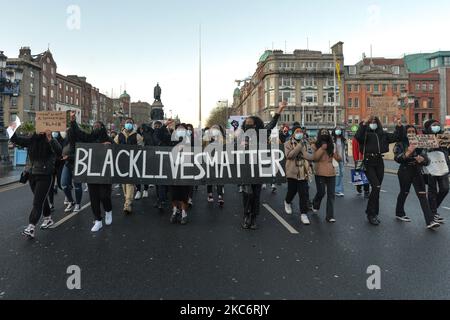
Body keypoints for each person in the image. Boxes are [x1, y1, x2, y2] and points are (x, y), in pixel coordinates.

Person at [9, 127, 62, 239]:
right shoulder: (32, 140)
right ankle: (48, 219)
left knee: (37, 203)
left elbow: (59, 151)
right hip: (32, 175)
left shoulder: (50, 140)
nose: (40, 130)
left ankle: (31, 227)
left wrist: (50, 138)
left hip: (45, 175)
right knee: (42, 199)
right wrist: (12, 129)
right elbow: (17, 140)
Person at [240, 101, 285, 230]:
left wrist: (279, 110)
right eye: (246, 124)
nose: (248, 125)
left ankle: (253, 217)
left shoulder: (262, 135)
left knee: (256, 195)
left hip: (258, 170)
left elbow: (271, 125)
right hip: (246, 170)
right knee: (247, 194)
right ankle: (246, 216)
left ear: (256, 125)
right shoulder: (241, 137)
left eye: (251, 124)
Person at [69, 112, 114, 232]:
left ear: (102, 128)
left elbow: (118, 154)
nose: (95, 128)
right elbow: (79, 133)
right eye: (94, 126)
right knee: (93, 198)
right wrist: (73, 121)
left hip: (105, 173)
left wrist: (110, 146)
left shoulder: (109, 140)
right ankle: (98, 220)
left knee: (104, 196)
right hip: (91, 172)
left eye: (98, 126)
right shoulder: (89, 138)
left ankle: (108, 210)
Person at [355, 116, 403, 226]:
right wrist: (364, 123)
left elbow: (397, 137)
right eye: (371, 122)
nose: (373, 123)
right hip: (368, 161)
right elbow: (358, 137)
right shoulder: (365, 134)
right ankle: (370, 213)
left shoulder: (382, 134)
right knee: (376, 187)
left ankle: (374, 213)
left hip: (379, 161)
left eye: (374, 122)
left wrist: (399, 125)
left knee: (377, 189)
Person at [393, 125, 440, 230]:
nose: (411, 133)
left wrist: (422, 160)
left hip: (417, 171)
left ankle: (430, 221)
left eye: (413, 131)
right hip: (405, 170)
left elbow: (427, 160)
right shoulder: (400, 143)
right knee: (404, 192)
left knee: (422, 195)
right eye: (409, 131)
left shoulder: (420, 143)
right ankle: (399, 212)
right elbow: (397, 158)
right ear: (405, 133)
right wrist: (408, 153)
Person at [310, 129, 341, 223]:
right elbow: (314, 158)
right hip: (320, 172)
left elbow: (339, 159)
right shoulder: (314, 145)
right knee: (321, 192)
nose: (324, 135)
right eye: (322, 134)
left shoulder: (332, 145)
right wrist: (322, 148)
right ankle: (315, 204)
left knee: (331, 195)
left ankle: (330, 216)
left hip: (331, 172)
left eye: (326, 134)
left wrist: (335, 153)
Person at [284, 125, 313, 225]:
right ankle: (287, 202)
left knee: (303, 193)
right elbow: (290, 155)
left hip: (303, 172)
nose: (299, 133)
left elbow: (309, 155)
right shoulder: (288, 143)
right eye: (297, 131)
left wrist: (306, 152)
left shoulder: (306, 143)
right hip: (292, 172)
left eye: (301, 132)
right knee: (292, 191)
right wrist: (300, 146)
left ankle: (304, 214)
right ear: (293, 133)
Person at [114, 118, 144, 215]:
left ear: (133, 124)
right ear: (124, 124)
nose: (128, 124)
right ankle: (128, 198)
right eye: (127, 123)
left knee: (129, 183)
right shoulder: (119, 136)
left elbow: (141, 147)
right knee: (124, 183)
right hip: (122, 163)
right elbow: (114, 146)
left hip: (133, 163)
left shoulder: (137, 136)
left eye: (130, 123)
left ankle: (127, 204)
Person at [423, 119, 449, 224]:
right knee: (432, 191)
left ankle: (431, 210)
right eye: (434, 125)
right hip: (431, 167)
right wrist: (432, 147)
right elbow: (422, 151)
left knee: (445, 189)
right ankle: (433, 213)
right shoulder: (424, 138)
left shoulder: (444, 137)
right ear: (429, 127)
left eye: (438, 125)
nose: (436, 127)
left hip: (443, 166)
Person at [169, 123, 191, 225]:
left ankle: (183, 214)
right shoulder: (171, 140)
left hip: (185, 171)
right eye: (178, 129)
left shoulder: (190, 140)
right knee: (174, 194)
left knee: (183, 195)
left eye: (182, 129)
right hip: (173, 170)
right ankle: (174, 211)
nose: (180, 130)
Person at [61, 124, 84, 213]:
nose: (67, 133)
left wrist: (69, 157)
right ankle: (71, 201)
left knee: (77, 186)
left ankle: (78, 204)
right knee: (64, 184)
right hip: (67, 164)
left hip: (77, 165)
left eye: (69, 132)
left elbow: (82, 154)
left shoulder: (79, 141)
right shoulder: (66, 141)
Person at [153, 120, 172, 209]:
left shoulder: (165, 134)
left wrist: (164, 126)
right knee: (158, 182)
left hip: (165, 159)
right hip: (156, 159)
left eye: (158, 126)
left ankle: (162, 199)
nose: (157, 128)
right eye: (155, 126)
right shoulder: (154, 134)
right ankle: (160, 198)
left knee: (162, 181)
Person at [205, 124, 226, 207]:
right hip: (209, 161)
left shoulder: (222, 139)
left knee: (219, 178)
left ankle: (220, 196)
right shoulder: (207, 138)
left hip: (219, 161)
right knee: (210, 178)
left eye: (216, 129)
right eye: (213, 129)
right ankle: (210, 194)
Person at [135, 123, 154, 200]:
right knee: (137, 174)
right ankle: (138, 190)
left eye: (144, 128)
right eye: (141, 129)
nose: (142, 130)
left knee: (145, 173)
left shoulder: (149, 135)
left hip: (146, 157)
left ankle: (145, 190)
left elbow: (150, 143)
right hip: (137, 157)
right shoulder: (136, 135)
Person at [48, 131, 65, 211]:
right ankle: (51, 203)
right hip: (50, 166)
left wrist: (52, 140)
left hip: (59, 164)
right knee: (50, 187)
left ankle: (67, 196)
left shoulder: (57, 140)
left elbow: (60, 150)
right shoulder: (44, 141)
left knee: (60, 183)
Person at [332, 127, 348, 197]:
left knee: (341, 175)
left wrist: (346, 158)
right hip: (335, 159)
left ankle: (338, 189)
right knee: (337, 175)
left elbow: (345, 150)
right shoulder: (332, 139)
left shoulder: (343, 140)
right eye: (337, 129)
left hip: (342, 159)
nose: (338, 131)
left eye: (339, 130)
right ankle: (337, 190)